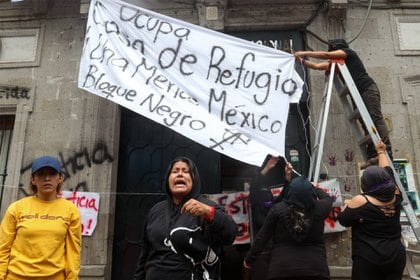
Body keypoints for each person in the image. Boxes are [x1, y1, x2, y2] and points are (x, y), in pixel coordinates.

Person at [133, 156, 237, 280]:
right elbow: (144, 254)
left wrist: (208, 212)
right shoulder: (155, 210)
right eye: (175, 171)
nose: (180, 174)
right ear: (168, 179)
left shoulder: (206, 207)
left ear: (194, 179)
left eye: (186, 171)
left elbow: (230, 234)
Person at [294, 39, 393, 165]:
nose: (331, 54)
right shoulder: (338, 64)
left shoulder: (349, 53)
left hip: (367, 89)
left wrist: (302, 53)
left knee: (376, 119)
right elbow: (317, 66)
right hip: (357, 93)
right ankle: (373, 153)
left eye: (333, 51)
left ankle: (387, 151)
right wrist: (301, 61)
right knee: (365, 122)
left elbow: (326, 55)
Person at [0, 155, 82, 280]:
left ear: (60, 178)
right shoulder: (16, 208)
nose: (47, 178)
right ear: (33, 179)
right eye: (41, 174)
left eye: (52, 173)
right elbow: (3, 249)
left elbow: (73, 253)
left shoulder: (70, 211)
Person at [337, 140, 406, 280]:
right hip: (395, 256)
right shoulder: (396, 193)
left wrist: (348, 204)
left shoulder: (361, 201)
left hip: (369, 259)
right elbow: (388, 172)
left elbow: (343, 219)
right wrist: (381, 152)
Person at [244, 175, 333, 280]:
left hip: (282, 269)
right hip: (316, 269)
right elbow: (327, 198)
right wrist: (315, 188)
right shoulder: (321, 208)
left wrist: (249, 260)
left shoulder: (277, 210)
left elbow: (262, 237)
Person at [248, 156, 294, 280]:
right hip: (261, 249)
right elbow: (254, 185)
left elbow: (280, 201)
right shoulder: (256, 192)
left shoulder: (266, 192)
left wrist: (288, 179)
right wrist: (267, 167)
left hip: (274, 247)